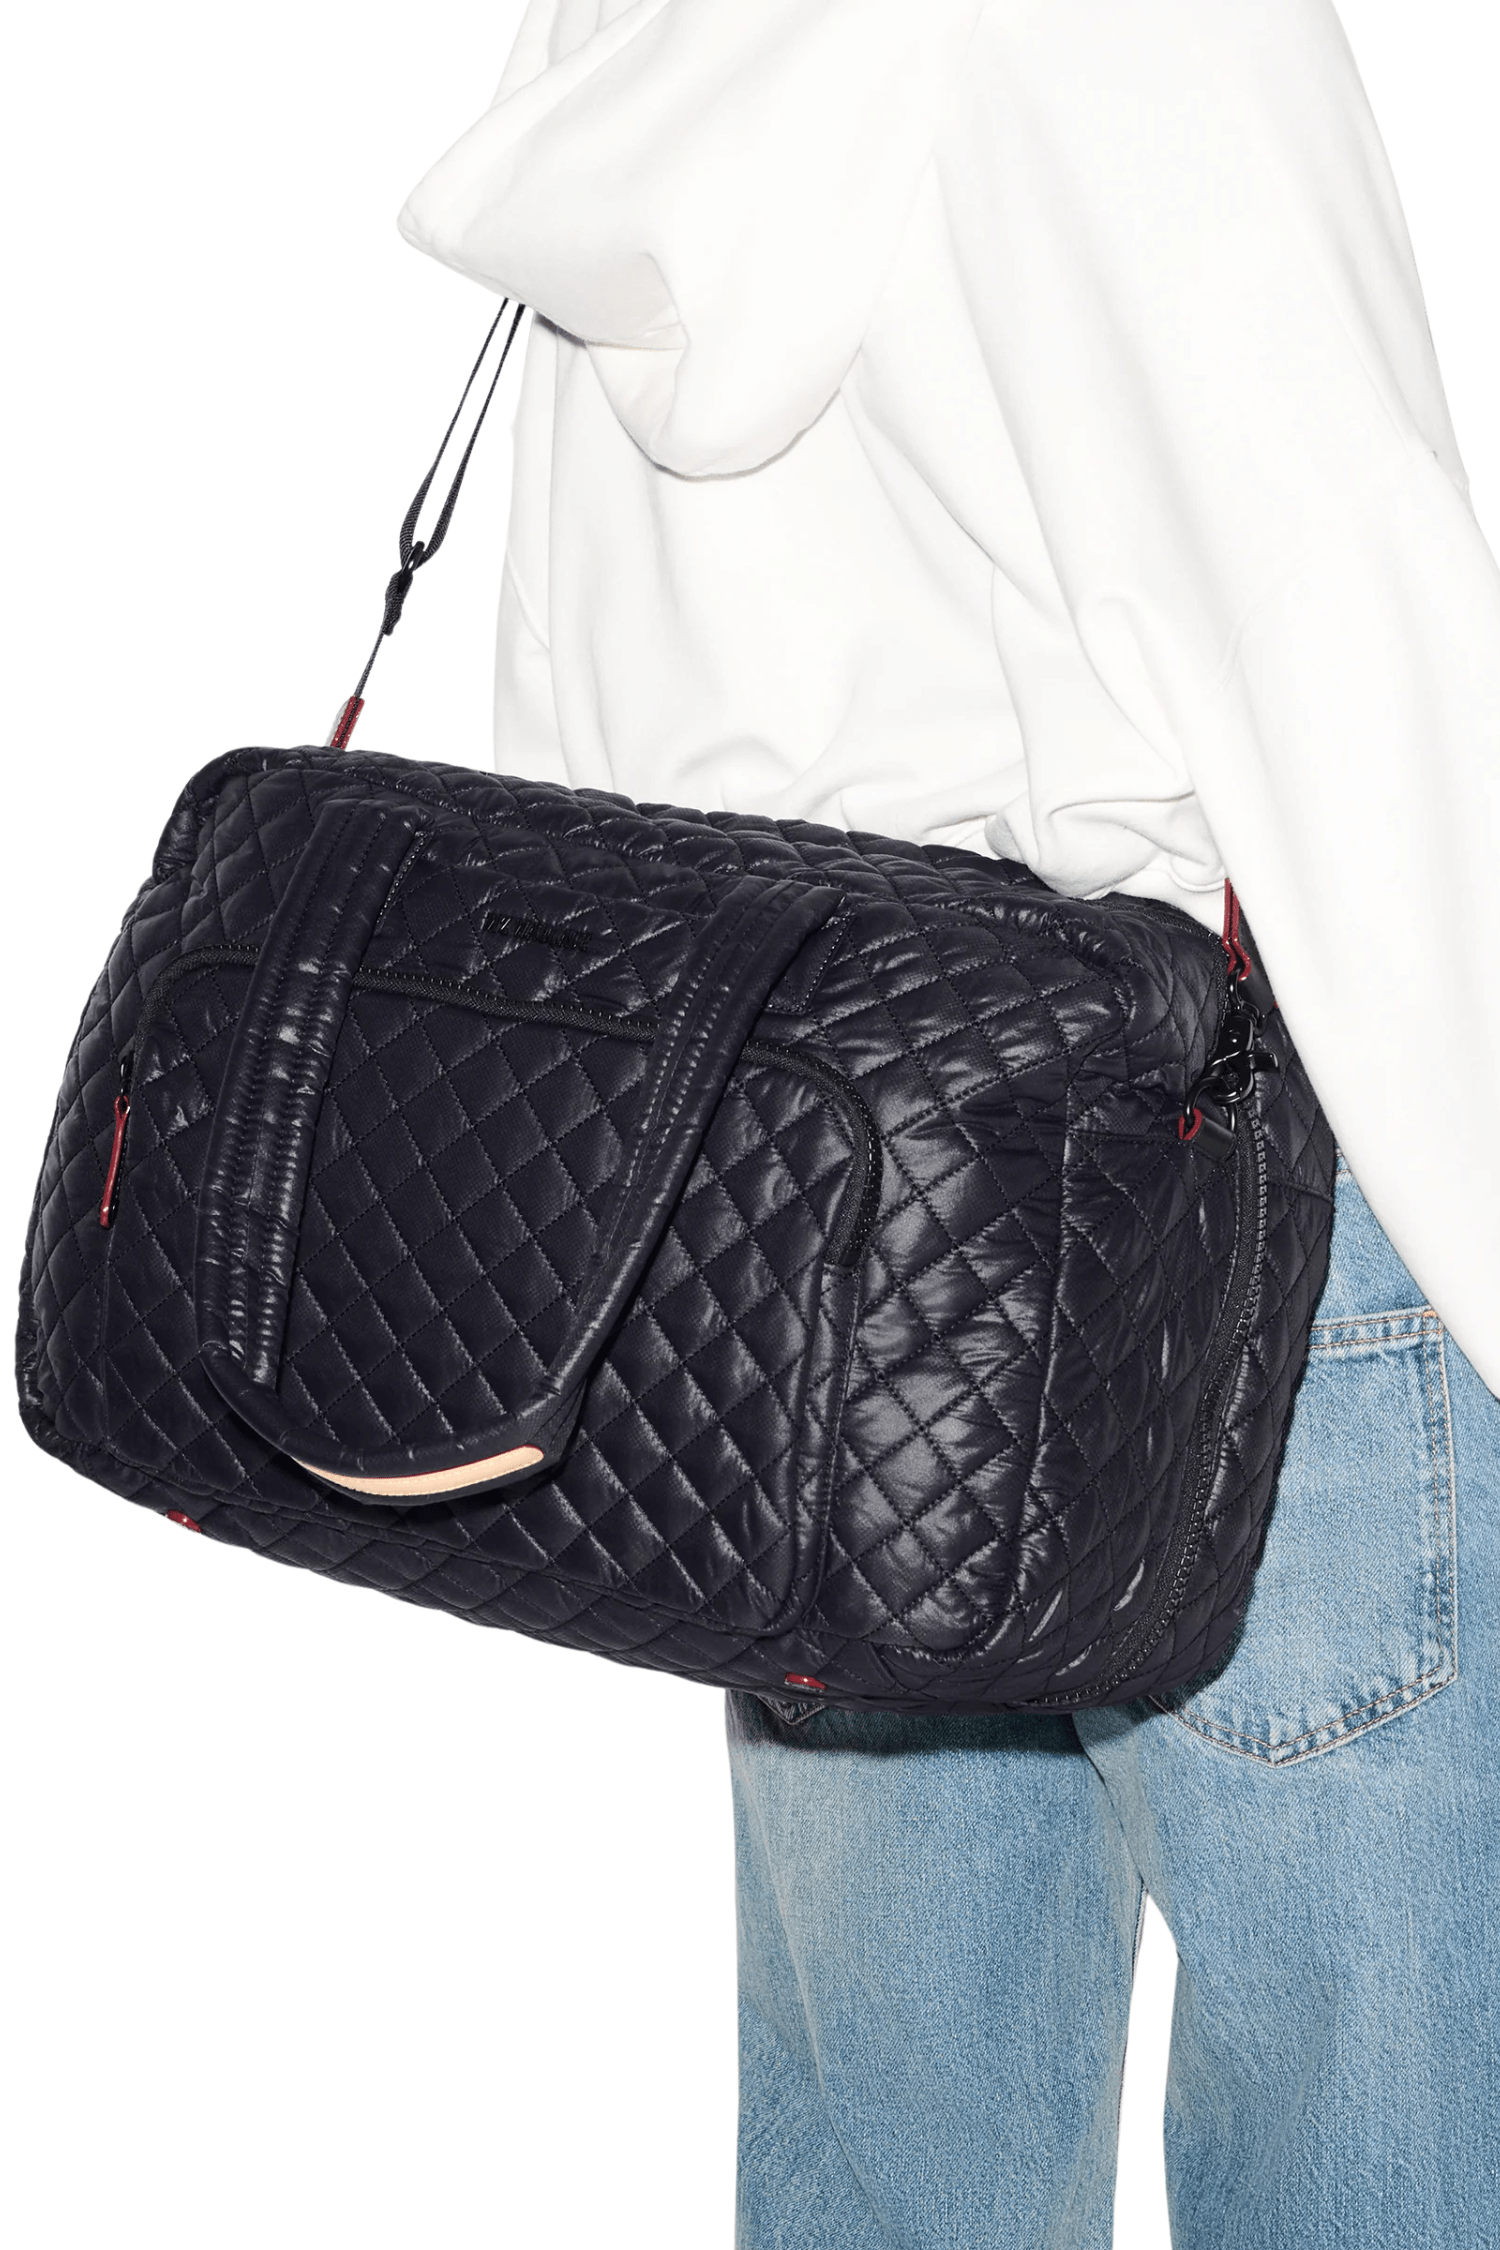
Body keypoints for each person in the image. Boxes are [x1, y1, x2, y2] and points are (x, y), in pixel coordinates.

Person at [399, 2, 1500, 2240]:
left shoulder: (638, 33)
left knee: (897, 2175)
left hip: (810, 1230)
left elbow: (574, 702)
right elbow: (1357, 650)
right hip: (1236, 1204)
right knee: (1384, 2161)